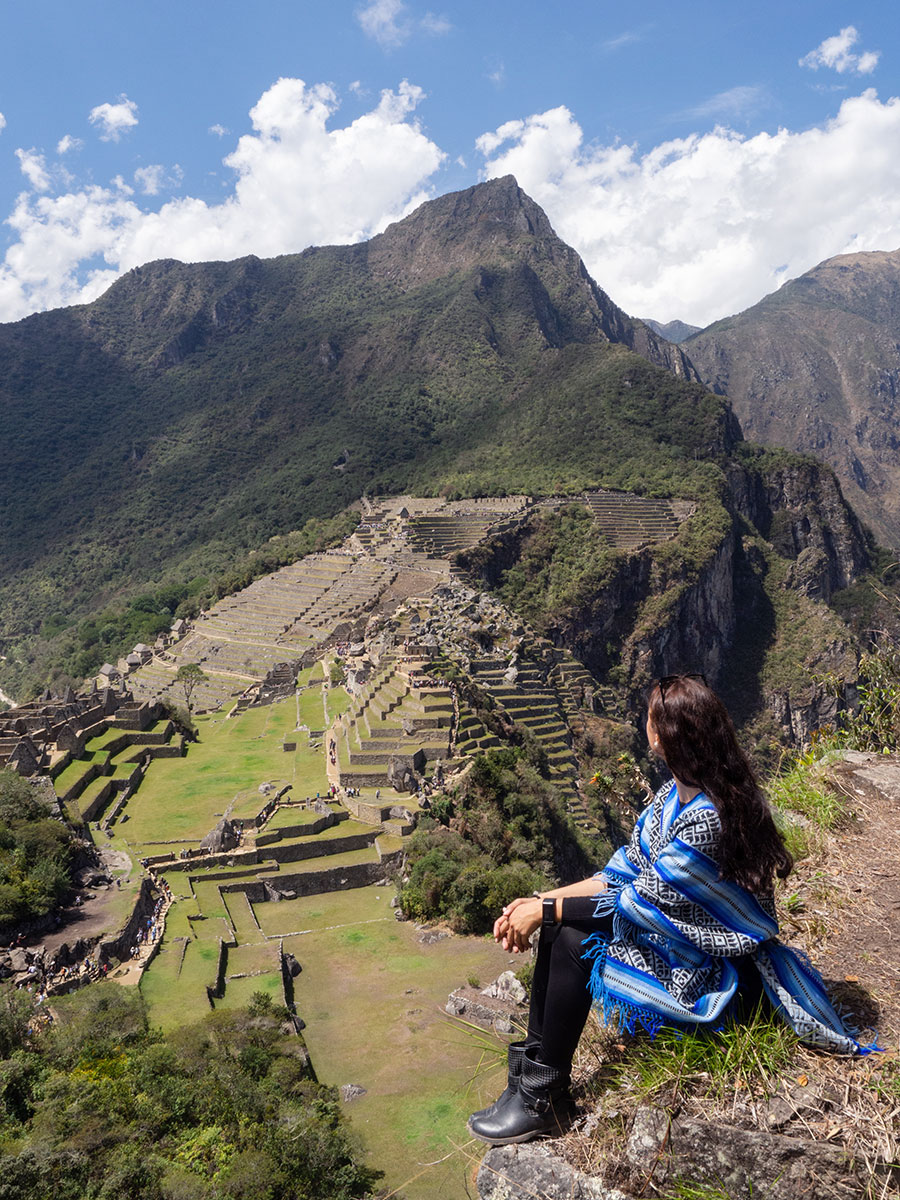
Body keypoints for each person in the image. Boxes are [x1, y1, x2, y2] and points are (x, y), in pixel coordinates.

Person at [468, 674, 878, 1147]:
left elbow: (636, 901)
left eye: (648, 718)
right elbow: (620, 873)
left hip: (723, 978)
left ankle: (543, 1099)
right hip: (683, 946)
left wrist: (549, 911)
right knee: (560, 925)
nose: (643, 725)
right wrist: (540, 902)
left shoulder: (708, 817)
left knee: (572, 935)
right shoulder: (671, 798)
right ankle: (529, 1085)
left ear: (662, 736)